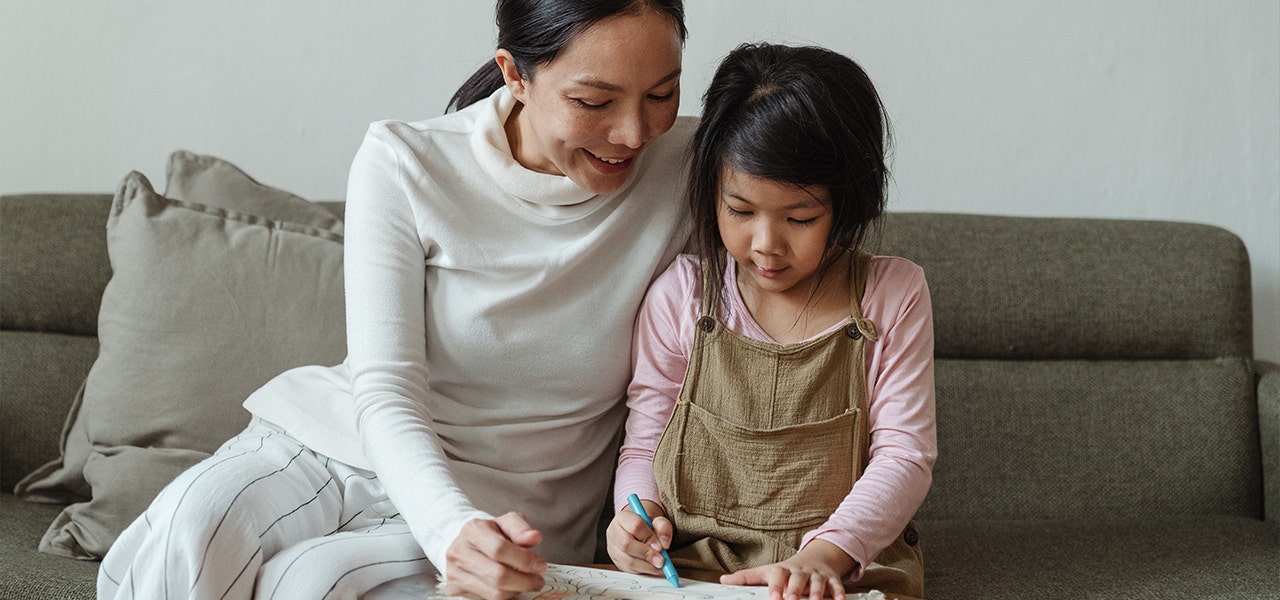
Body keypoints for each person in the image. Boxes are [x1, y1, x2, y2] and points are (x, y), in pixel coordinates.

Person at [98, 1, 693, 598]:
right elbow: (385, 387)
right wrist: (449, 528)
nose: (633, 133)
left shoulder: (698, 170)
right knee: (190, 527)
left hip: (507, 518)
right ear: (515, 74)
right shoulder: (405, 160)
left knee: (309, 585)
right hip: (336, 449)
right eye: (594, 102)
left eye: (662, 95)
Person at [605, 42, 937, 600]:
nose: (765, 245)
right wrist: (634, 520)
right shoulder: (683, 296)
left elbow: (905, 454)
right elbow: (644, 444)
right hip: (693, 566)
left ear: (848, 202)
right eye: (739, 210)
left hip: (840, 566)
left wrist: (823, 556)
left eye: (800, 217)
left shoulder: (892, 293)